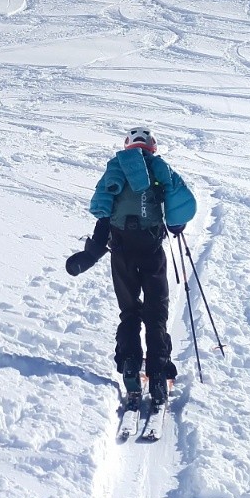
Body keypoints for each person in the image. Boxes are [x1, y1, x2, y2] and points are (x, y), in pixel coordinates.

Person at [65, 125, 196, 408]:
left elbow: (103, 214)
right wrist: (176, 225)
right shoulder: (159, 169)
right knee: (156, 312)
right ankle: (158, 373)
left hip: (121, 254)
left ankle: (130, 365)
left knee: (129, 312)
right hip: (152, 252)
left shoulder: (115, 169)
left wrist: (91, 253)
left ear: (128, 146)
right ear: (152, 147)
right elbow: (177, 203)